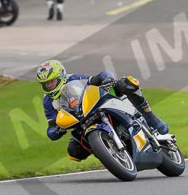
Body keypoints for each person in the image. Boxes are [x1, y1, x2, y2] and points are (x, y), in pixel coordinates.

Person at [36, 59, 168, 161]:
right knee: (74, 152)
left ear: (61, 76)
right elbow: (51, 129)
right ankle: (108, 153)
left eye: (52, 82)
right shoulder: (48, 101)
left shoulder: (74, 78)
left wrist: (107, 79)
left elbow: (99, 77)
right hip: (80, 124)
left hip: (95, 107)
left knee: (126, 84)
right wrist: (58, 129)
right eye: (46, 84)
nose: (49, 86)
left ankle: (152, 118)